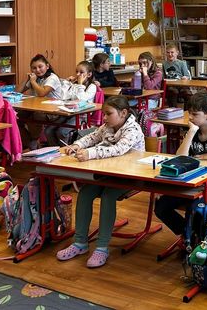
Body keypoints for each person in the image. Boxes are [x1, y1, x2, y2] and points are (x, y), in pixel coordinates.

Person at [55, 96, 145, 268]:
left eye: (108, 114)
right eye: (103, 114)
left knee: (108, 196)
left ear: (123, 113)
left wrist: (90, 153)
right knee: (85, 193)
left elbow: (118, 149)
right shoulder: (107, 126)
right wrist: (78, 145)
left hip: (130, 176)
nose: (104, 118)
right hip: (108, 173)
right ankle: (80, 243)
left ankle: (102, 247)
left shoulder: (132, 129)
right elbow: (92, 137)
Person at [154, 92, 207, 236]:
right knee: (161, 206)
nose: (190, 117)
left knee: (194, 207)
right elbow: (180, 157)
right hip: (192, 182)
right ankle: (188, 234)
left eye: (194, 114)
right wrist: (191, 132)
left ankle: (196, 236)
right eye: (189, 113)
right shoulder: (192, 131)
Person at [42, 60, 97, 147]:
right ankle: (56, 150)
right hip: (69, 113)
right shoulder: (74, 85)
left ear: (89, 74)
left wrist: (80, 84)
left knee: (62, 132)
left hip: (82, 115)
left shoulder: (92, 87)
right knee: (48, 131)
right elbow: (63, 97)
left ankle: (66, 150)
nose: (78, 74)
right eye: (76, 72)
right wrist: (67, 84)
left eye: (81, 72)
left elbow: (81, 99)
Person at [17, 54, 62, 149]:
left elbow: (42, 93)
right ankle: (30, 142)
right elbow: (17, 92)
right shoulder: (35, 78)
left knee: (35, 116)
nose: (37, 70)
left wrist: (33, 82)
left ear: (47, 66)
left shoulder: (52, 78)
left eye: (40, 67)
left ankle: (34, 140)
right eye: (34, 68)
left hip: (53, 111)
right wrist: (27, 79)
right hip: (36, 108)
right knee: (16, 116)